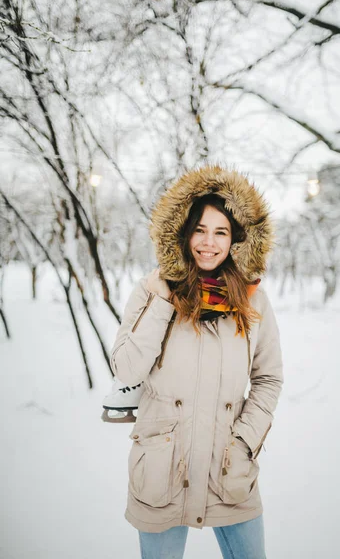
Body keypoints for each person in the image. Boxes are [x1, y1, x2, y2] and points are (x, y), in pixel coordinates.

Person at [110, 165, 284, 559]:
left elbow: (268, 377)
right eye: (200, 230)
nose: (209, 242)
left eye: (220, 232)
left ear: (236, 240)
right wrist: (163, 297)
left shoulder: (253, 299)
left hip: (230, 469)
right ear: (183, 233)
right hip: (162, 469)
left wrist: (244, 440)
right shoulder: (151, 290)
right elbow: (126, 369)